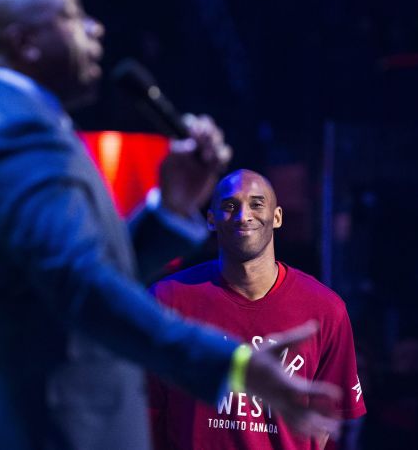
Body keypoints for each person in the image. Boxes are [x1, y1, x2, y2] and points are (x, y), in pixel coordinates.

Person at [0, 0, 340, 450]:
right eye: (71, 16)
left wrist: (171, 209)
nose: (95, 28)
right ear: (25, 41)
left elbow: (52, 282)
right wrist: (232, 363)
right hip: (35, 423)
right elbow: (79, 285)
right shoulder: (16, 131)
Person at [148, 169, 366, 449]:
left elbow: (329, 420)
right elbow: (146, 411)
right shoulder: (168, 299)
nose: (243, 215)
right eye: (230, 206)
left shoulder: (326, 310)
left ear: (277, 217)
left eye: (256, 203)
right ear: (211, 220)